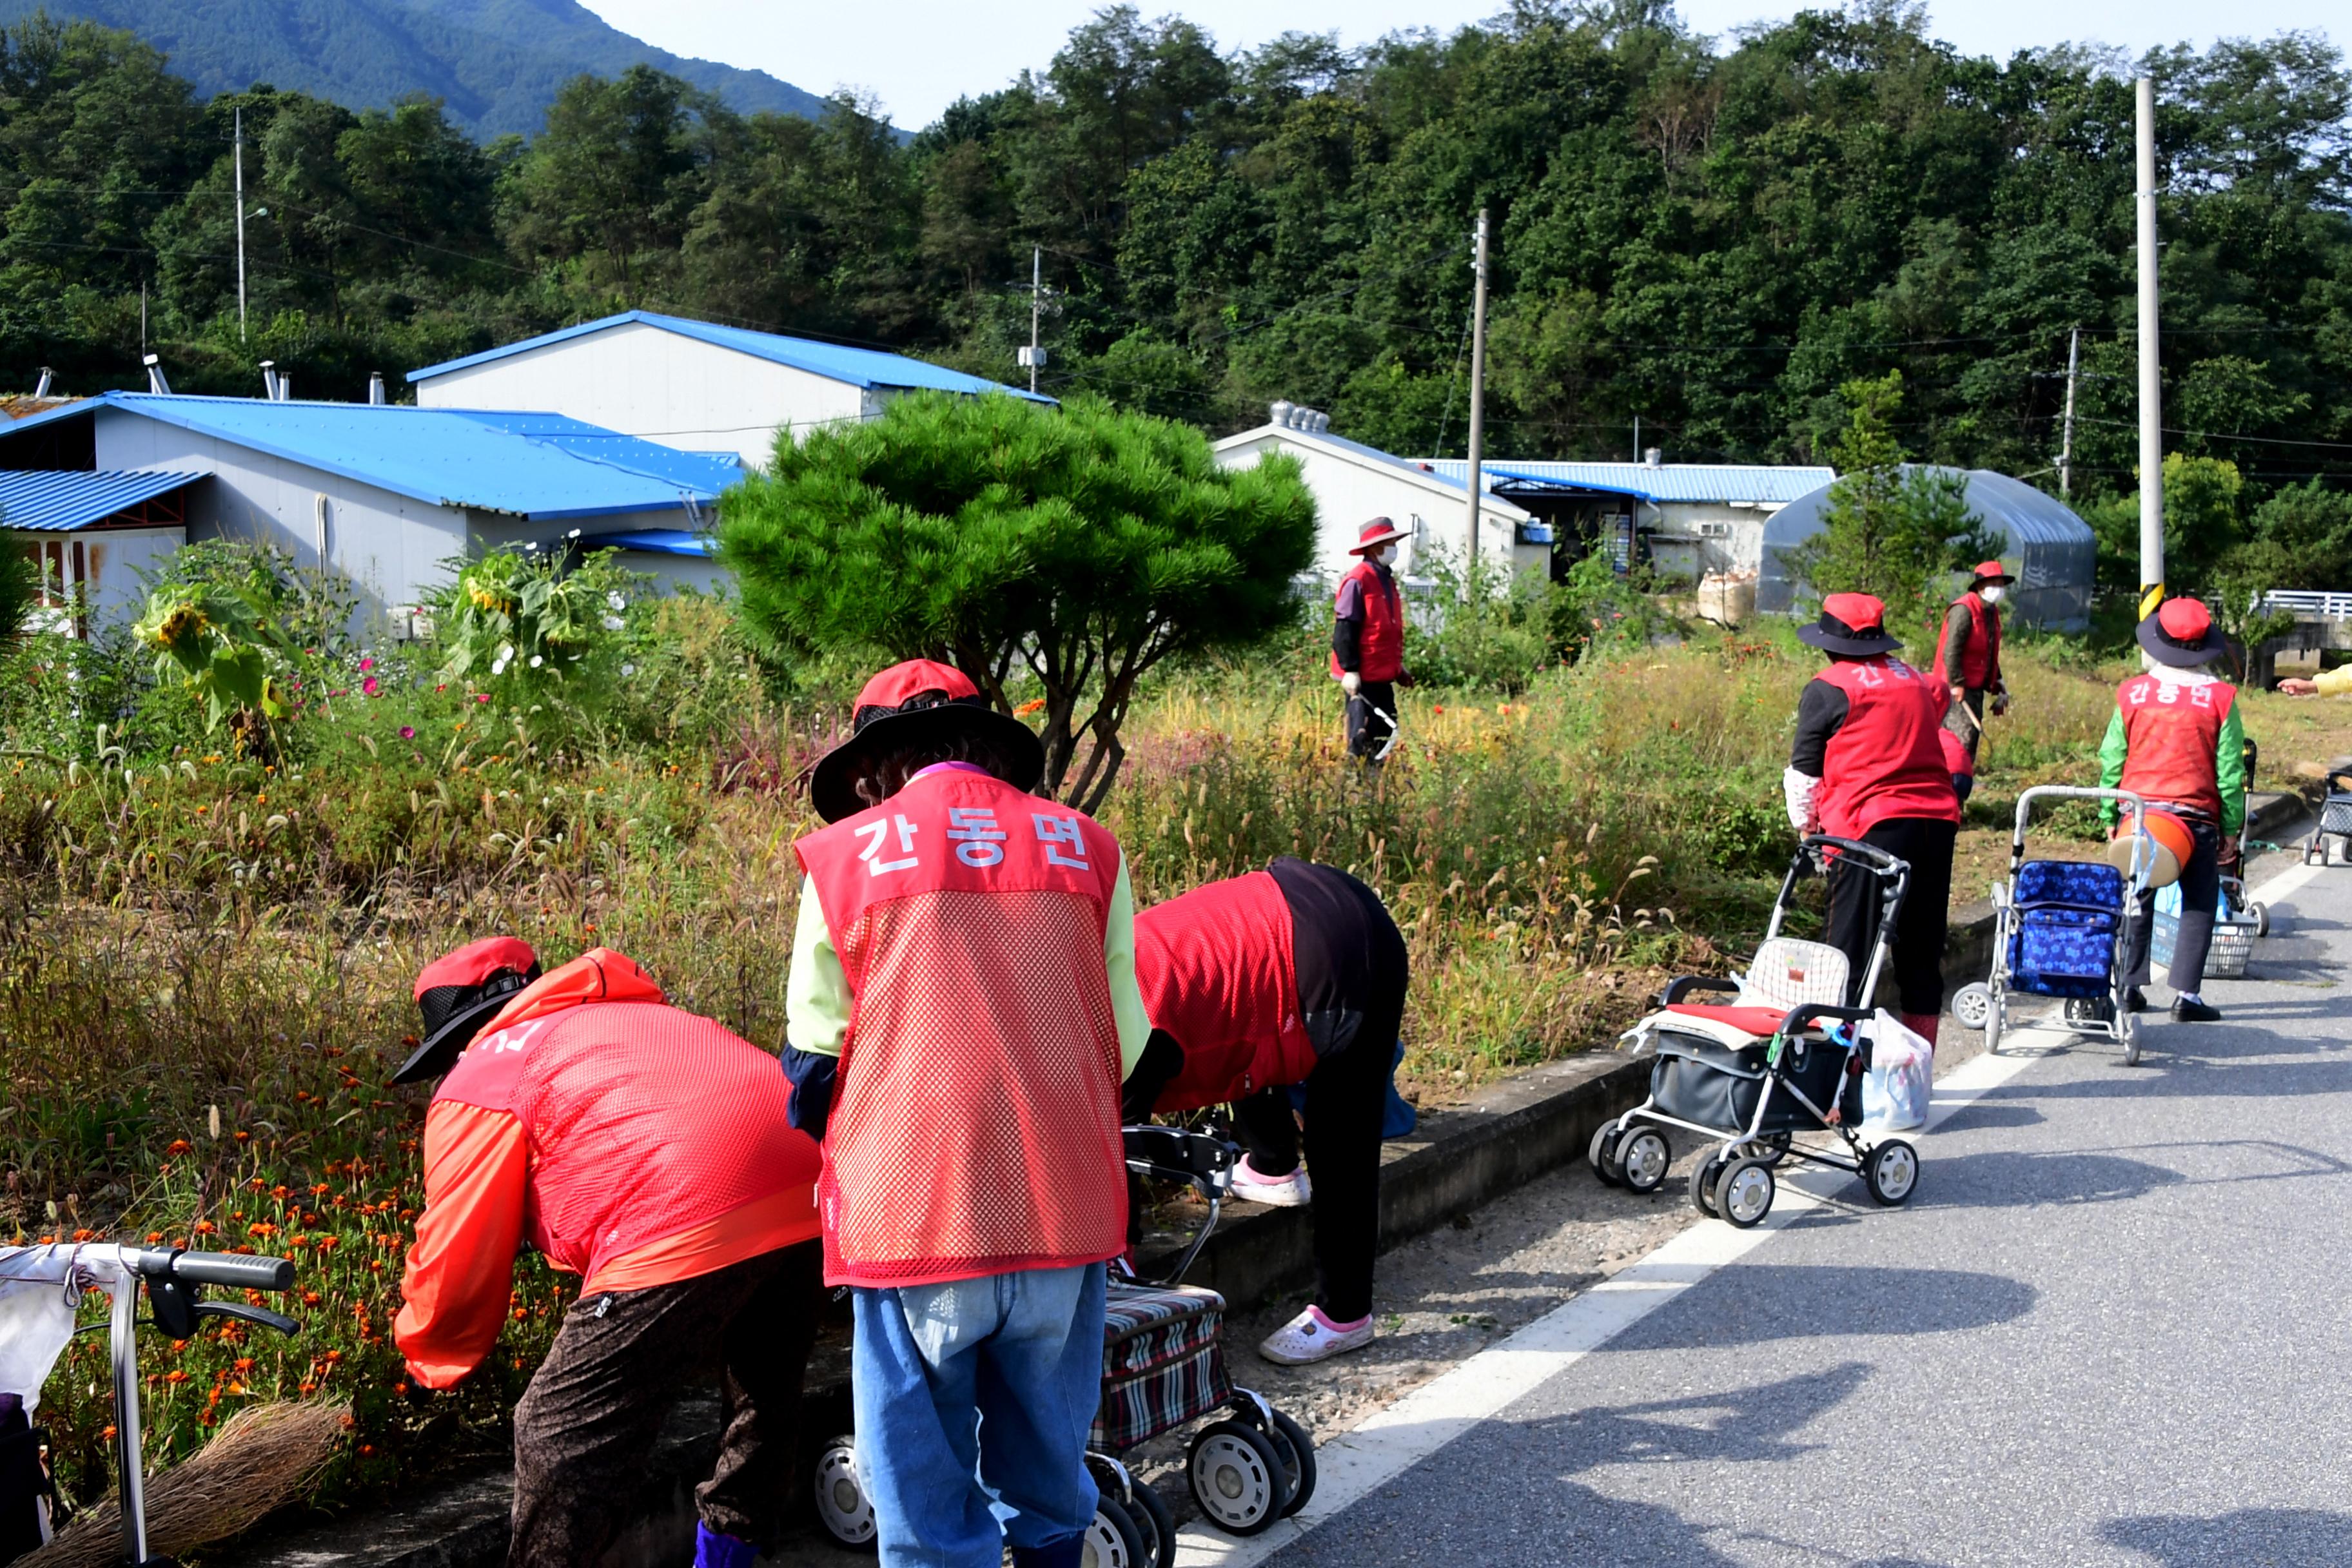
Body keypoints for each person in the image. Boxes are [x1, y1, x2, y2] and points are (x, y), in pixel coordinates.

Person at [781, 659, 1150, 1568]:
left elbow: (812, 1067)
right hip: (1065, 1214)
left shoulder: (843, 860)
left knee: (929, 1501)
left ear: (873, 773)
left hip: (915, 1222)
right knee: (1050, 1477)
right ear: (990, 750)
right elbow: (1132, 1051)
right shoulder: (1088, 849)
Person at [391, 939, 825, 1568]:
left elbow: (454, 1250)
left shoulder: (484, 1068)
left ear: (462, 1035)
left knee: (555, 1434)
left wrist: (426, 1358)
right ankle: (729, 1555)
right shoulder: (630, 1015)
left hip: (687, 1204)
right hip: (807, 1178)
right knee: (762, 1388)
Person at [1123, 859, 1409, 1366]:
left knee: (1340, 1137)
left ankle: (1345, 1315)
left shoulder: (1102, 1051)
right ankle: (1272, 1167)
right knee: (1236, 1010)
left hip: (1334, 962)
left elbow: (1107, 1179)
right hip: (1288, 900)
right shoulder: (1091, 970)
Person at [1781, 593, 1962, 1047]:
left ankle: (1841, 1077)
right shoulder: (1917, 681)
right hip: (1936, 823)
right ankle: (1916, 1072)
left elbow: (1805, 773)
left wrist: (1808, 827)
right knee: (1921, 953)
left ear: (1829, 644)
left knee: (1848, 953)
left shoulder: (1829, 687)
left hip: (1871, 827)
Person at [2102, 597, 2246, 1023]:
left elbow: (2113, 757)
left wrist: (2110, 816)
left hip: (2140, 815)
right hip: (2196, 818)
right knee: (2200, 901)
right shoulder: (2220, 697)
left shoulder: (2133, 692)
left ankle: (2128, 988)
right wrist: (2232, 826)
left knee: (2137, 897)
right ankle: (2187, 996)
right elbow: (2230, 769)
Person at [1332, 517, 1415, 767]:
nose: (1394, 547)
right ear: (1374, 547)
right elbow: (1345, 628)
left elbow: (1383, 632)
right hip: (1362, 679)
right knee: (1361, 740)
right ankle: (1355, 791)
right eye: (1389, 542)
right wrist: (1350, 669)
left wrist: (1398, 669)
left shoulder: (1386, 580)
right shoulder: (1358, 580)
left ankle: (1374, 790)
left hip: (1382, 677)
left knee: (1385, 736)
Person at [1935, 560, 2014, 767]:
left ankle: (1962, 783)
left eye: (2001, 584)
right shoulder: (1963, 610)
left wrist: (1998, 680)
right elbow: (1951, 650)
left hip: (1976, 686)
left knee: (1970, 739)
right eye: (1994, 584)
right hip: (1956, 688)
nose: (1999, 589)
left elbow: (1988, 650)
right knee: (1958, 741)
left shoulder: (1991, 612)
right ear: (1980, 586)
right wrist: (1957, 684)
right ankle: (1953, 789)